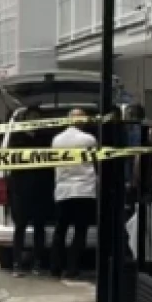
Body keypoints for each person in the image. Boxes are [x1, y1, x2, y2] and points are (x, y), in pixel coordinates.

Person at [50, 108, 98, 279]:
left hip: (63, 190)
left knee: (60, 230)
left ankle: (55, 267)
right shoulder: (89, 139)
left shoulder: (56, 140)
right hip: (84, 190)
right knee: (80, 231)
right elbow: (95, 161)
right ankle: (72, 268)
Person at [7, 108, 55, 276]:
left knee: (39, 228)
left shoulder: (46, 138)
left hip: (41, 190)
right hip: (21, 190)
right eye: (31, 118)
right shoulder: (17, 138)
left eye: (37, 118)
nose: (34, 121)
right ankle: (17, 264)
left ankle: (38, 263)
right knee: (20, 227)